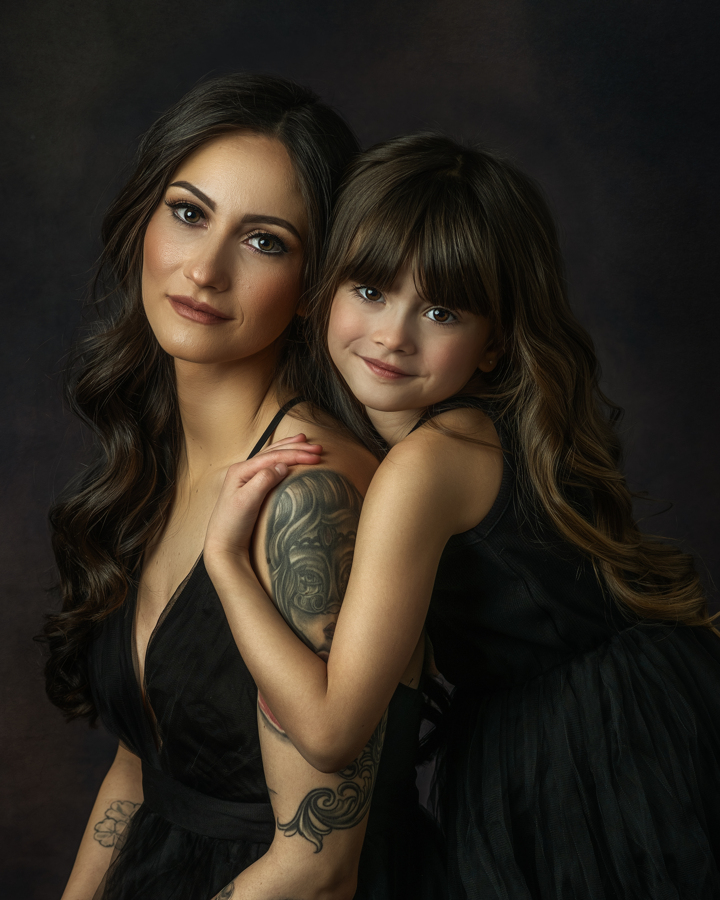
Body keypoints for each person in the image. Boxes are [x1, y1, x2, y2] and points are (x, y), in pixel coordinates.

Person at [203, 133, 720, 899]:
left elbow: (332, 729)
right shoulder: (457, 433)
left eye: (441, 311)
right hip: (597, 714)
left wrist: (227, 565)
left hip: (604, 749)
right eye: (371, 292)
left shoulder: (427, 465)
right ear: (323, 292)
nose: (393, 335)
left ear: (493, 343)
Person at [43, 78, 444, 900]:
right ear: (144, 223)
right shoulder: (156, 465)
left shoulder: (307, 493)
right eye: (189, 213)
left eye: (264, 242)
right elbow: (142, 765)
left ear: (312, 289)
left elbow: (320, 868)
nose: (204, 268)